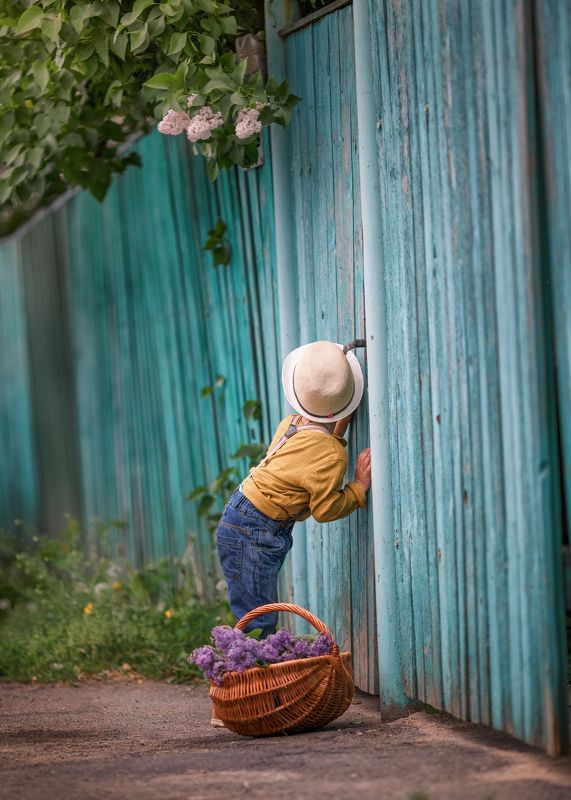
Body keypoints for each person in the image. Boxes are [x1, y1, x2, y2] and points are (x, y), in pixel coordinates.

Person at [216, 339, 372, 640]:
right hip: (255, 529)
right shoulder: (331, 455)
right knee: (258, 618)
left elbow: (307, 460)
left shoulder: (291, 423)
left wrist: (338, 430)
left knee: (254, 609)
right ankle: (257, 678)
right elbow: (325, 510)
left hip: (241, 514)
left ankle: (253, 671)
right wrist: (358, 488)